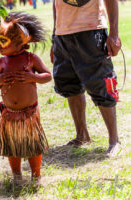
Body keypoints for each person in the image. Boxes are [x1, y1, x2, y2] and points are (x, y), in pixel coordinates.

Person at [51, 0, 122, 155]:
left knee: (100, 83)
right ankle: (82, 136)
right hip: (62, 34)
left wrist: (114, 34)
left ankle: (114, 140)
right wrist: (54, 36)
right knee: (69, 85)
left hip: (91, 30)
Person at [0, 12, 51, 182]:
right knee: (12, 147)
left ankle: (36, 175)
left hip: (29, 114)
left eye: (3, 40)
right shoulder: (0, 63)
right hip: (9, 113)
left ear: (20, 43)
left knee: (33, 146)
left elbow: (47, 75)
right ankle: (16, 174)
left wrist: (33, 77)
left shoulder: (31, 59)